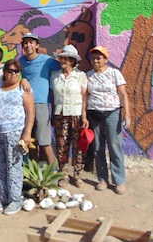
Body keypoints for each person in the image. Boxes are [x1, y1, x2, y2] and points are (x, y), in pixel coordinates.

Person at [0, 59, 35, 215]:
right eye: (10, 70)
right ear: (4, 72)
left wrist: (27, 133)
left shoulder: (23, 89)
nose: (13, 73)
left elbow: (30, 112)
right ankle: (3, 198)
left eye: (17, 71)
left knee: (14, 166)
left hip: (16, 132)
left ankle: (16, 199)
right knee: (0, 166)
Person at [86, 46, 131, 195]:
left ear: (106, 59)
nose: (95, 61)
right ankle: (102, 179)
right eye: (93, 58)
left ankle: (119, 181)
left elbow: (123, 95)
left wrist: (127, 114)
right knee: (98, 147)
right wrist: (84, 116)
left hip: (113, 113)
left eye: (99, 58)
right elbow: (85, 96)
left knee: (114, 146)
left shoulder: (114, 73)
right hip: (94, 114)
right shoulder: (88, 76)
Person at [50, 45, 89, 188]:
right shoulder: (55, 76)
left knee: (78, 146)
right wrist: (53, 114)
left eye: (66, 58)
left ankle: (78, 174)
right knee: (61, 145)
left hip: (76, 114)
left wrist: (84, 116)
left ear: (72, 61)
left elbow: (85, 97)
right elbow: (53, 97)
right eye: (61, 58)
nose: (62, 61)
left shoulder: (80, 75)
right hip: (60, 114)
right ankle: (64, 174)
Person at [19, 33, 60, 165]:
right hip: (24, 105)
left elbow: (63, 67)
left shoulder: (47, 60)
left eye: (31, 42)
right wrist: (23, 79)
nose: (28, 45)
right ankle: (35, 175)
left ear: (37, 45)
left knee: (44, 141)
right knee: (30, 141)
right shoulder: (20, 62)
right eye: (26, 43)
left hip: (41, 104)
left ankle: (53, 173)